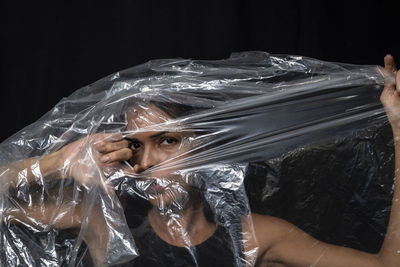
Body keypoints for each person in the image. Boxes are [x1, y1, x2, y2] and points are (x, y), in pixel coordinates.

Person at [1, 55, 400, 267]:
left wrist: (399, 130)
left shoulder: (253, 238)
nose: (146, 164)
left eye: (168, 141)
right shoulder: (107, 222)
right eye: (135, 147)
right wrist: (56, 165)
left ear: (208, 147)